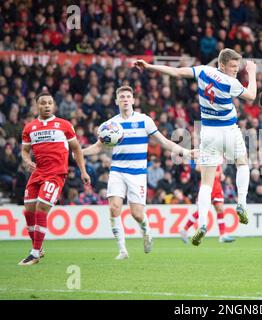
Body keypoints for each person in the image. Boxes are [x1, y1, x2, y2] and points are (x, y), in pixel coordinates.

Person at [134, 48, 257, 246]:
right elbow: (251, 95)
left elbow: (175, 72)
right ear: (222, 65)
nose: (236, 70)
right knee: (242, 164)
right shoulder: (231, 83)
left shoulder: (202, 71)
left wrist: (149, 66)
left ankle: (202, 224)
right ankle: (241, 203)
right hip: (228, 130)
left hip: (208, 132)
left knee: (206, 183)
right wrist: (251, 72)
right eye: (233, 66)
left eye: (238, 67)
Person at [82, 86, 195, 259]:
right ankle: (122, 250)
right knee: (114, 208)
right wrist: (79, 152)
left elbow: (164, 142)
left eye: (128, 96)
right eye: (122, 97)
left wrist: (185, 152)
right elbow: (98, 147)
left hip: (137, 173)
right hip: (117, 170)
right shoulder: (111, 125)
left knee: (136, 214)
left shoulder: (144, 120)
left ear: (133, 100)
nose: (125, 99)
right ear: (116, 101)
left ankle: (146, 231)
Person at [18, 92, 91, 265]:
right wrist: (28, 162)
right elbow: (24, 151)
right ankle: (38, 248)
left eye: (50, 102)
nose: (47, 105)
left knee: (41, 207)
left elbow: (77, 149)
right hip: (37, 172)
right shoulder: (30, 128)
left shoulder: (64, 125)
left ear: (54, 105)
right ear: (37, 105)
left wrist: (83, 171)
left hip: (56, 173)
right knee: (28, 210)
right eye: (43, 103)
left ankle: (35, 253)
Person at [180, 165, 235, 244]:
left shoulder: (219, 156)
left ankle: (222, 235)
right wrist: (215, 174)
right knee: (201, 211)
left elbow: (219, 170)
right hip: (207, 185)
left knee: (220, 209)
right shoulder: (205, 154)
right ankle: (184, 229)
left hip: (217, 186)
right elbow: (198, 168)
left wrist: (221, 174)